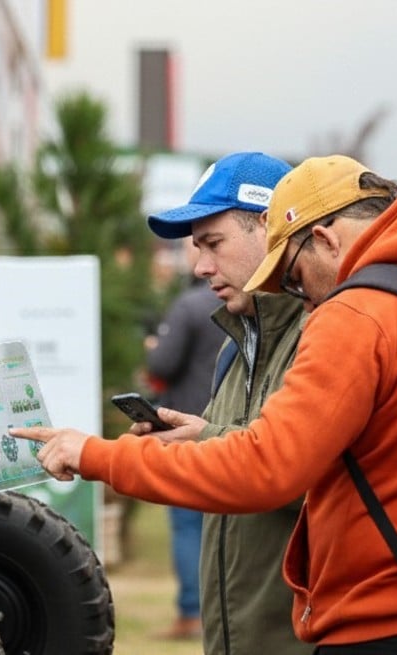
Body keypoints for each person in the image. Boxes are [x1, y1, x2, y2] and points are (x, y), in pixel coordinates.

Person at [14, 155, 397, 653]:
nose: (303, 295)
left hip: (383, 617)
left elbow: (271, 468)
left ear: (322, 237)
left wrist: (96, 456)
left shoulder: (354, 315)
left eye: (291, 272)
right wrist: (211, 437)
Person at [142, 151, 308, 655]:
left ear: (269, 227)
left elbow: (310, 482)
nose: (200, 266)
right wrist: (201, 438)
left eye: (213, 243)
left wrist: (206, 441)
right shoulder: (235, 343)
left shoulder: (324, 338)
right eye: (197, 247)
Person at [142, 242, 225, 641]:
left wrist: (154, 348)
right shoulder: (254, 301)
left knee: (188, 526)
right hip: (231, 427)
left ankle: (192, 613)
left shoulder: (189, 306)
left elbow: (162, 364)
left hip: (185, 427)